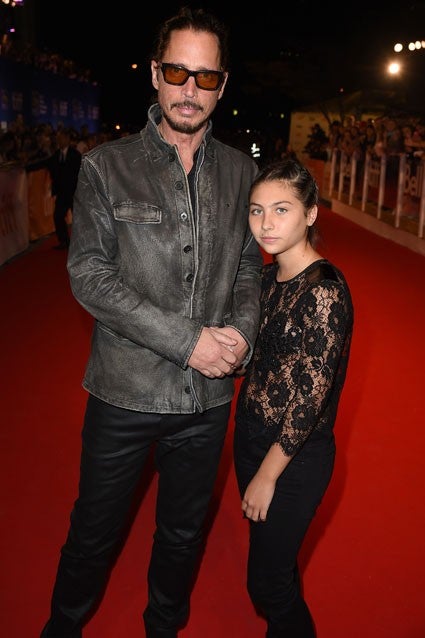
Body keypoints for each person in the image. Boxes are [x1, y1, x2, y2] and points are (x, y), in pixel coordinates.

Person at [40, 7, 262, 638]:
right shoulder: (104, 168)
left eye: (205, 76)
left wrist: (241, 334)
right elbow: (90, 277)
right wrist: (189, 342)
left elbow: (250, 266)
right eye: (177, 72)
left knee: (183, 536)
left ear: (222, 84)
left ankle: (163, 628)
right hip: (124, 395)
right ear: (156, 75)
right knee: (92, 535)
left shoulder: (242, 172)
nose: (190, 89)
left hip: (207, 400)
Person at [233, 159, 354, 637]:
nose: (266, 223)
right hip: (249, 436)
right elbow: (259, 362)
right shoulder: (266, 280)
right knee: (273, 569)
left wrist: (267, 475)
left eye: (281, 209)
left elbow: (309, 399)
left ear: (311, 213)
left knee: (267, 583)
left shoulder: (326, 291)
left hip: (294, 456)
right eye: (256, 210)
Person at [26, 127, 81, 249]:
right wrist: (24, 168)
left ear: (67, 139)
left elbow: (81, 174)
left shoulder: (76, 155)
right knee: (58, 217)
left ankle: (82, 243)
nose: (58, 141)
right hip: (62, 194)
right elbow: (42, 163)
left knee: (79, 219)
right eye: (58, 139)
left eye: (61, 138)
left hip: (74, 193)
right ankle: (64, 241)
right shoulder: (56, 155)